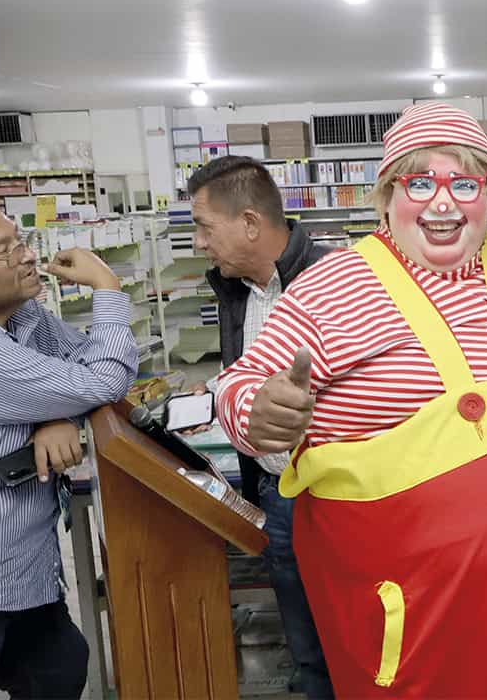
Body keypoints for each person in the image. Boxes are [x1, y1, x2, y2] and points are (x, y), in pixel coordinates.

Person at [214, 102, 487, 698]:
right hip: (414, 614)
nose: (442, 203)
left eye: (463, 184)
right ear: (387, 196)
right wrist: (259, 414)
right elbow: (241, 386)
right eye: (420, 182)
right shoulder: (332, 286)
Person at [187, 155, 334, 698]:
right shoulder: (234, 289)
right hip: (278, 493)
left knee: (363, 642)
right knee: (307, 650)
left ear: (250, 223)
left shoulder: (337, 280)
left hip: (339, 493)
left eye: (204, 226)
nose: (200, 242)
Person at [0, 209, 139, 698]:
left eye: (20, 240)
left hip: (24, 568)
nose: (28, 255)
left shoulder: (23, 315)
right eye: (4, 250)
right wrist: (108, 288)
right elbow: (103, 378)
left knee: (59, 667)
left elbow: (85, 367)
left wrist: (57, 414)